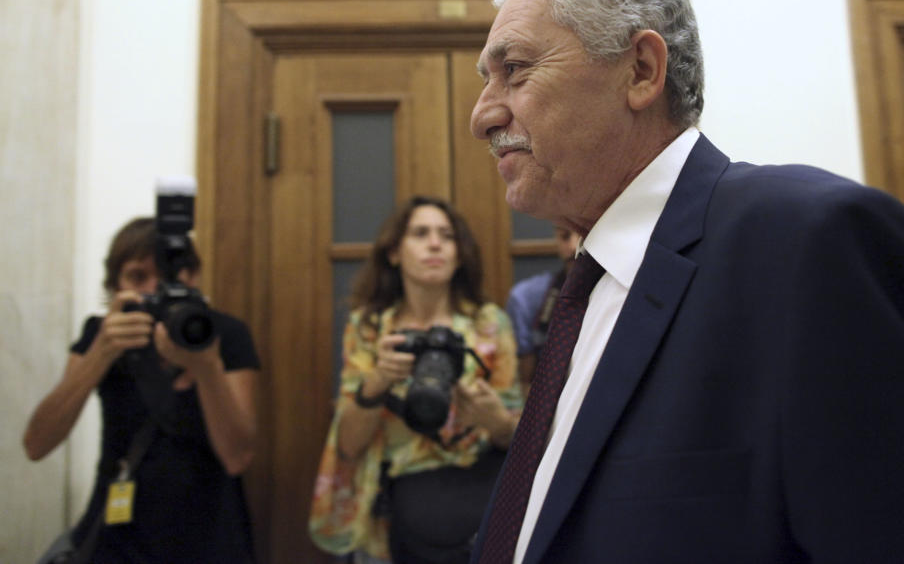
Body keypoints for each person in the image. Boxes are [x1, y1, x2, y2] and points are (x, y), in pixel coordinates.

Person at [468, 0, 904, 564]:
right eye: (487, 79)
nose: (483, 115)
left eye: (515, 69)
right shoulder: (585, 290)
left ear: (642, 70)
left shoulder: (811, 243)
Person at [23, 217, 259, 563]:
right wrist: (100, 354)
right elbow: (37, 443)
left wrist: (207, 367)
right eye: (138, 277)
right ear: (116, 287)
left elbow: (237, 457)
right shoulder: (100, 335)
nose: (155, 289)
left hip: (210, 539)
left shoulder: (224, 334)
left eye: (168, 274)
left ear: (192, 277)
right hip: (115, 540)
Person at [309, 196, 522, 564]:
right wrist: (378, 380)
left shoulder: (488, 325)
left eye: (447, 236)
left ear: (459, 254)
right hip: (392, 505)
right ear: (394, 253)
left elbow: (520, 438)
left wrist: (497, 422)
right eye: (420, 233)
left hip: (473, 499)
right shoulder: (371, 328)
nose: (435, 244)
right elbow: (348, 446)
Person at [505, 226, 577, 390]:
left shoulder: (621, 293)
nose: (573, 246)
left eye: (583, 235)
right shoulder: (526, 298)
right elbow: (525, 384)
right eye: (565, 236)